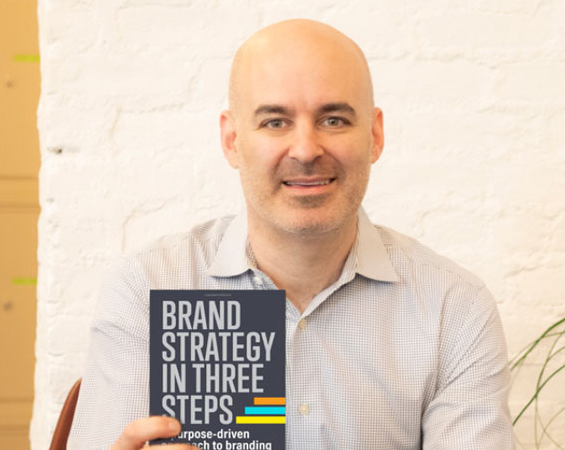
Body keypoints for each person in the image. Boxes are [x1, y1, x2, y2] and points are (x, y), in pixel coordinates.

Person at [68, 19, 514, 450]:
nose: (305, 150)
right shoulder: (147, 289)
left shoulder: (453, 309)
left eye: (334, 120)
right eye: (275, 122)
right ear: (232, 140)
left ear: (375, 135)